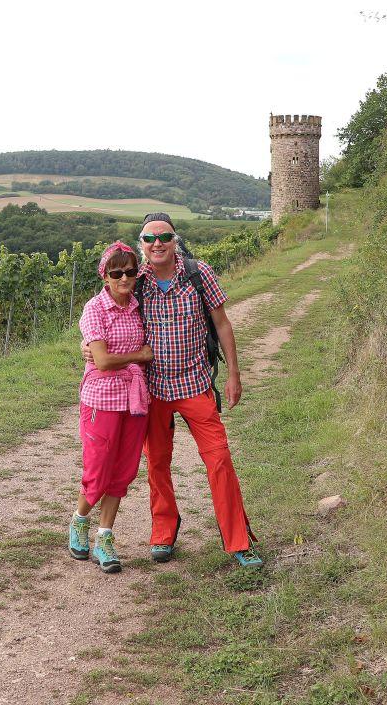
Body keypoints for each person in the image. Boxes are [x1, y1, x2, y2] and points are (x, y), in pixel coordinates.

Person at [89, 212, 262, 567]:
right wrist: (88, 347)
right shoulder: (137, 280)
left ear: (175, 240)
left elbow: (223, 324)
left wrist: (234, 375)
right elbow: (108, 311)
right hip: (152, 390)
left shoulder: (200, 275)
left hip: (195, 384)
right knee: (157, 465)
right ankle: (163, 533)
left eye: (164, 237)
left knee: (219, 460)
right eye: (150, 238)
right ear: (141, 244)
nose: (157, 244)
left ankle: (238, 541)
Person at [70, 241, 152, 574]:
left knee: (123, 472)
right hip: (101, 401)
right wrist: (138, 356)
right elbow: (102, 361)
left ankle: (105, 538)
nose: (124, 278)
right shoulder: (95, 308)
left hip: (133, 400)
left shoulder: (139, 304)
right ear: (105, 276)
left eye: (130, 272)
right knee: (98, 472)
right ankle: (79, 521)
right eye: (116, 273)